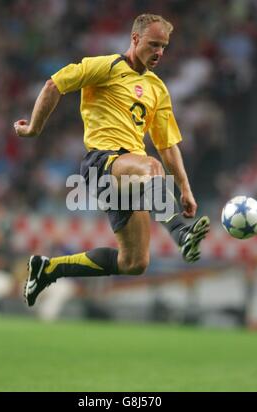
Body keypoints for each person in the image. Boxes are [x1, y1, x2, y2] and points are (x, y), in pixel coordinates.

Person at [14, 14, 210, 307]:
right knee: (151, 167)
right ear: (135, 39)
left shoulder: (157, 88)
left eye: (164, 46)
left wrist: (185, 188)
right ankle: (182, 234)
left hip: (132, 174)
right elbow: (54, 85)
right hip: (102, 162)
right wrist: (33, 128)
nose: (159, 52)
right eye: (153, 44)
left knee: (134, 262)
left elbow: (167, 145)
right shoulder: (105, 66)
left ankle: (49, 268)